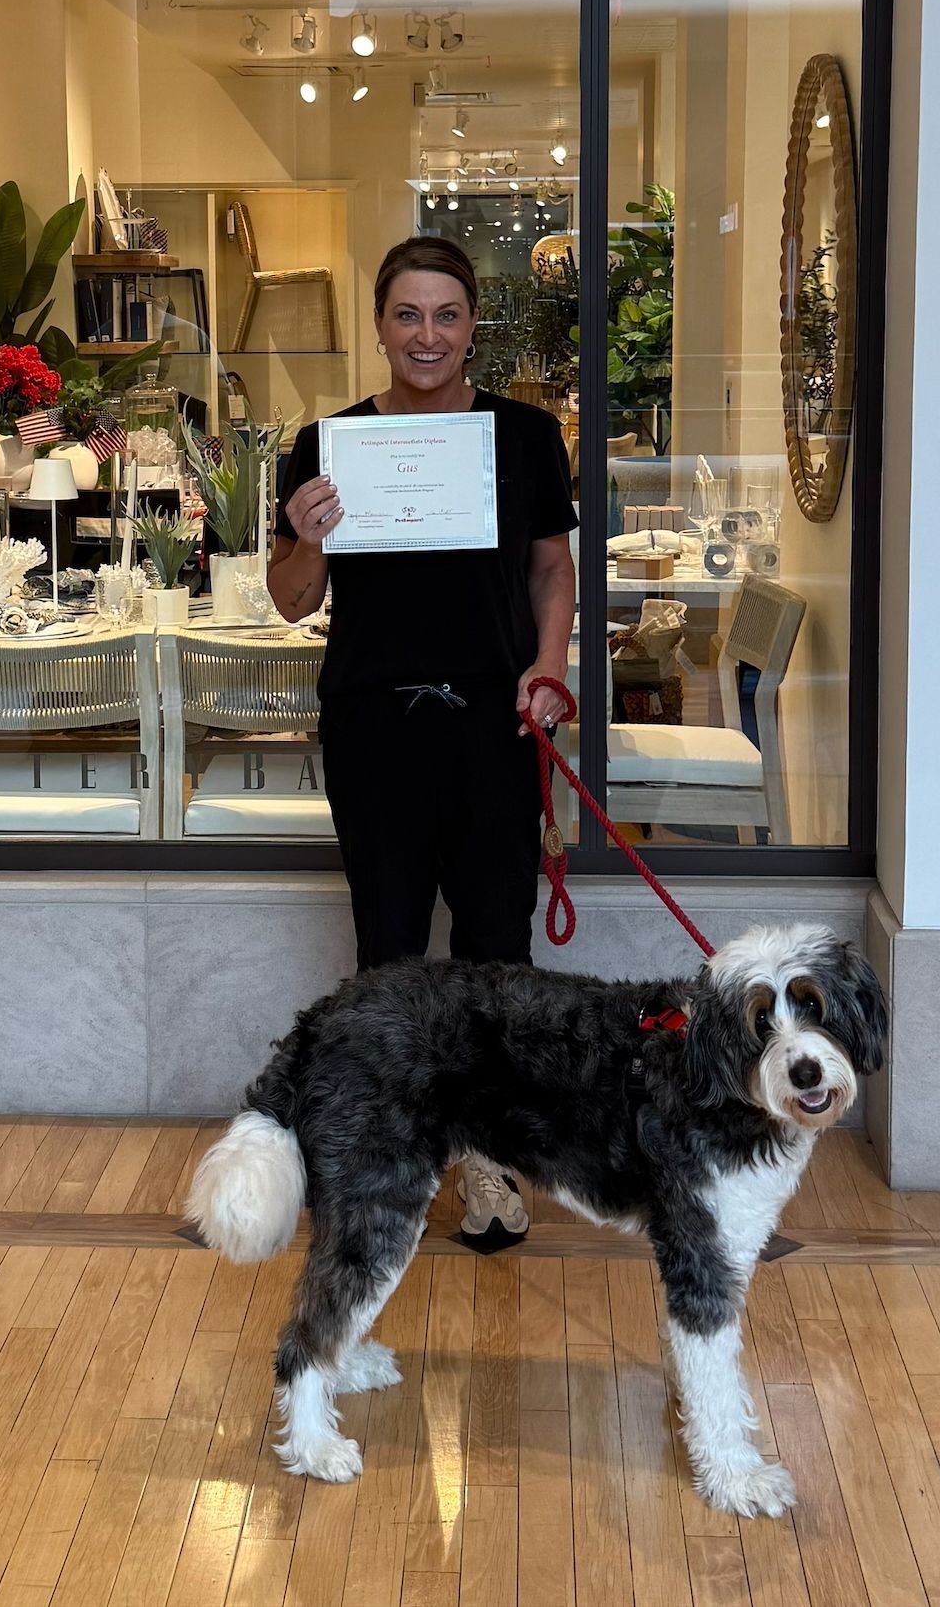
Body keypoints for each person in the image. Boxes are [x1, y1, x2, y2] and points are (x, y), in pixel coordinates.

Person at [267, 236, 578, 1251]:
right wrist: (306, 533)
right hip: (373, 728)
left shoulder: (527, 438)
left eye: (447, 314)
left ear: (473, 322)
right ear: (379, 323)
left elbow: (548, 573)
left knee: (498, 955)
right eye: (408, 314)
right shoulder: (325, 444)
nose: (428, 335)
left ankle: (491, 1170)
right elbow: (290, 600)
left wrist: (547, 667)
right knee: (388, 957)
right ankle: (389, 1167)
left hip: (492, 724)